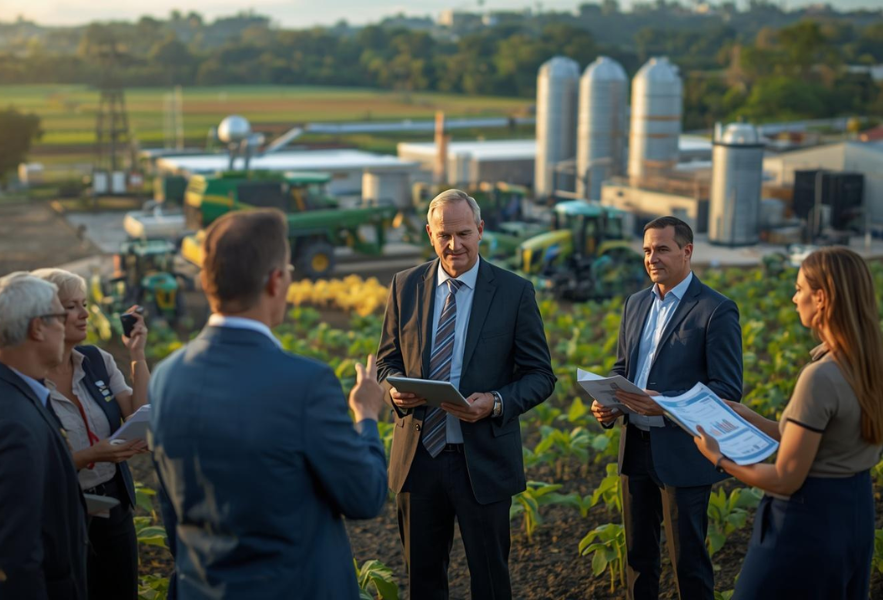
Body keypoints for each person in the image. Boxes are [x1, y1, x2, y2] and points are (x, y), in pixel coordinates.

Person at [149, 208, 388, 600]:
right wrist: (365, 415)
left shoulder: (166, 376)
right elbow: (365, 495)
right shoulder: (305, 384)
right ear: (276, 281)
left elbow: (171, 506)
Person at [377, 189, 556, 600]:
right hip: (419, 460)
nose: (453, 245)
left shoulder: (514, 292)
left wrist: (495, 402)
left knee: (491, 581)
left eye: (463, 234)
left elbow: (540, 375)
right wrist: (394, 392)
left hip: (483, 461)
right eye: (443, 235)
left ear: (480, 231)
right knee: (422, 581)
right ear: (429, 233)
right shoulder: (405, 286)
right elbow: (386, 362)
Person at [694, 247, 883, 600]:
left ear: (822, 297)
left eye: (799, 289)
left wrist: (719, 458)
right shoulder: (870, 362)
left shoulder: (822, 377)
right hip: (854, 513)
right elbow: (820, 442)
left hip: (808, 523)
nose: (794, 298)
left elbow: (785, 479)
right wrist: (751, 416)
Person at [590, 216, 742, 600]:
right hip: (635, 447)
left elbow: (728, 390)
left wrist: (668, 406)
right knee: (639, 560)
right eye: (646, 250)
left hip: (684, 452)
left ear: (687, 252)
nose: (651, 258)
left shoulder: (715, 309)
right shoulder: (636, 303)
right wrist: (608, 401)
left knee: (688, 563)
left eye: (661, 249)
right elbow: (624, 368)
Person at [31, 268, 150, 600]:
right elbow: (31, 465)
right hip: (61, 512)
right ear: (41, 316)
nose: (84, 314)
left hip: (113, 507)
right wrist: (91, 456)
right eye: (71, 306)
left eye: (84, 304)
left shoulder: (97, 360)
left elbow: (138, 413)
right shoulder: (28, 380)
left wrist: (137, 353)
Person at [0, 273, 88, 599]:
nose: (67, 324)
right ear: (37, 327)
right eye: (61, 315)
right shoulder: (11, 426)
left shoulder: (3, 390)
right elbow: (12, 559)